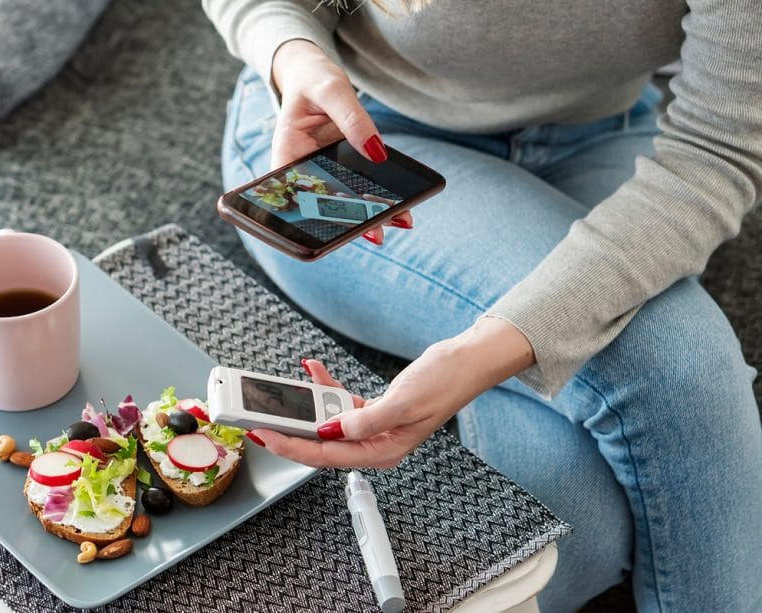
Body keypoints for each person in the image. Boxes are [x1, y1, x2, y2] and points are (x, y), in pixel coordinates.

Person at [202, 1, 762, 611]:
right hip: (349, 133)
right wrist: (294, 55)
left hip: (607, 132)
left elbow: (717, 150)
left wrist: (480, 357)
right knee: (679, 364)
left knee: (580, 524)